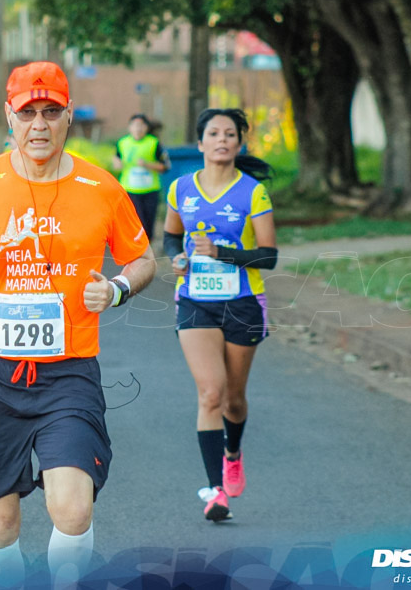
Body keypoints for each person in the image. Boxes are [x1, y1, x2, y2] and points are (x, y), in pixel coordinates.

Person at [0, 61, 157, 588]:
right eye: (27, 113)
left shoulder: (101, 187)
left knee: (73, 509)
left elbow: (143, 260)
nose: (38, 125)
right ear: (8, 118)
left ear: (68, 117)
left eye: (50, 112)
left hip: (68, 373)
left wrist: (116, 289)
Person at [162, 107, 277, 523]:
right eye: (214, 133)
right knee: (210, 393)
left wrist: (223, 254)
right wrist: (176, 260)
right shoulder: (181, 189)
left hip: (243, 302)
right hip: (194, 300)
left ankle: (233, 452)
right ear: (200, 143)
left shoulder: (253, 193)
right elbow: (171, 237)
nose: (222, 140)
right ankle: (215, 492)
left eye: (230, 134)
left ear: (239, 144)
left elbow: (269, 256)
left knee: (233, 399)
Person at [113, 114, 170, 242]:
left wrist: (147, 164)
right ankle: (137, 249)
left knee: (149, 224)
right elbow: (116, 158)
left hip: (150, 189)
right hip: (130, 190)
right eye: (135, 125)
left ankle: (147, 247)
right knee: (137, 222)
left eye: (141, 125)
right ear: (129, 127)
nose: (138, 129)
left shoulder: (153, 143)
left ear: (146, 128)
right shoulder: (123, 143)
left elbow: (165, 166)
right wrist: (117, 163)